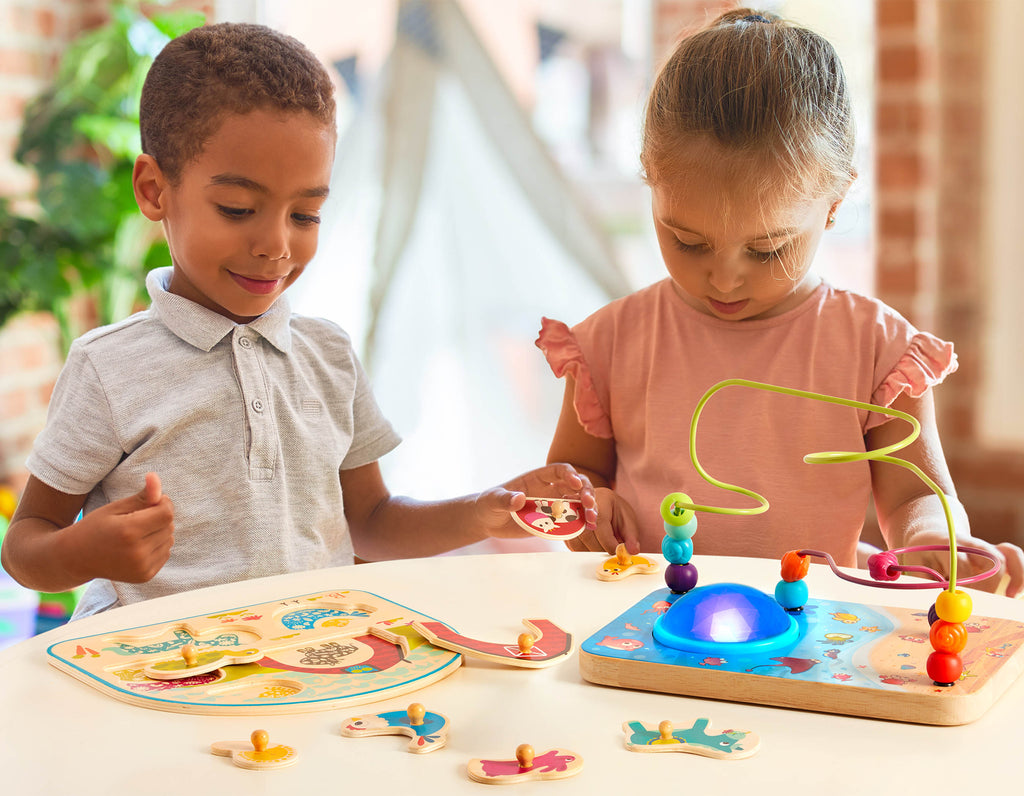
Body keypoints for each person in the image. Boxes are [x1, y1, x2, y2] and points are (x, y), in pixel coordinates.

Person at [0, 22, 595, 618]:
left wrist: (486, 509)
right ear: (155, 190)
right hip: (158, 679)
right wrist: (84, 550)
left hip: (306, 666)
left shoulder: (328, 356)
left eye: (306, 215)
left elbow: (371, 523)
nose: (276, 245)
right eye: (238, 209)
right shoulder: (109, 367)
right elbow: (24, 546)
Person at [537, 8, 1023, 596]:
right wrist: (590, 506)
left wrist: (936, 545)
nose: (724, 278)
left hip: (809, 636)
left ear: (836, 201)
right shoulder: (611, 344)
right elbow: (574, 477)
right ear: (649, 179)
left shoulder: (877, 350)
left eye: (767, 249)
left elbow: (916, 493)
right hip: (646, 628)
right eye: (687, 240)